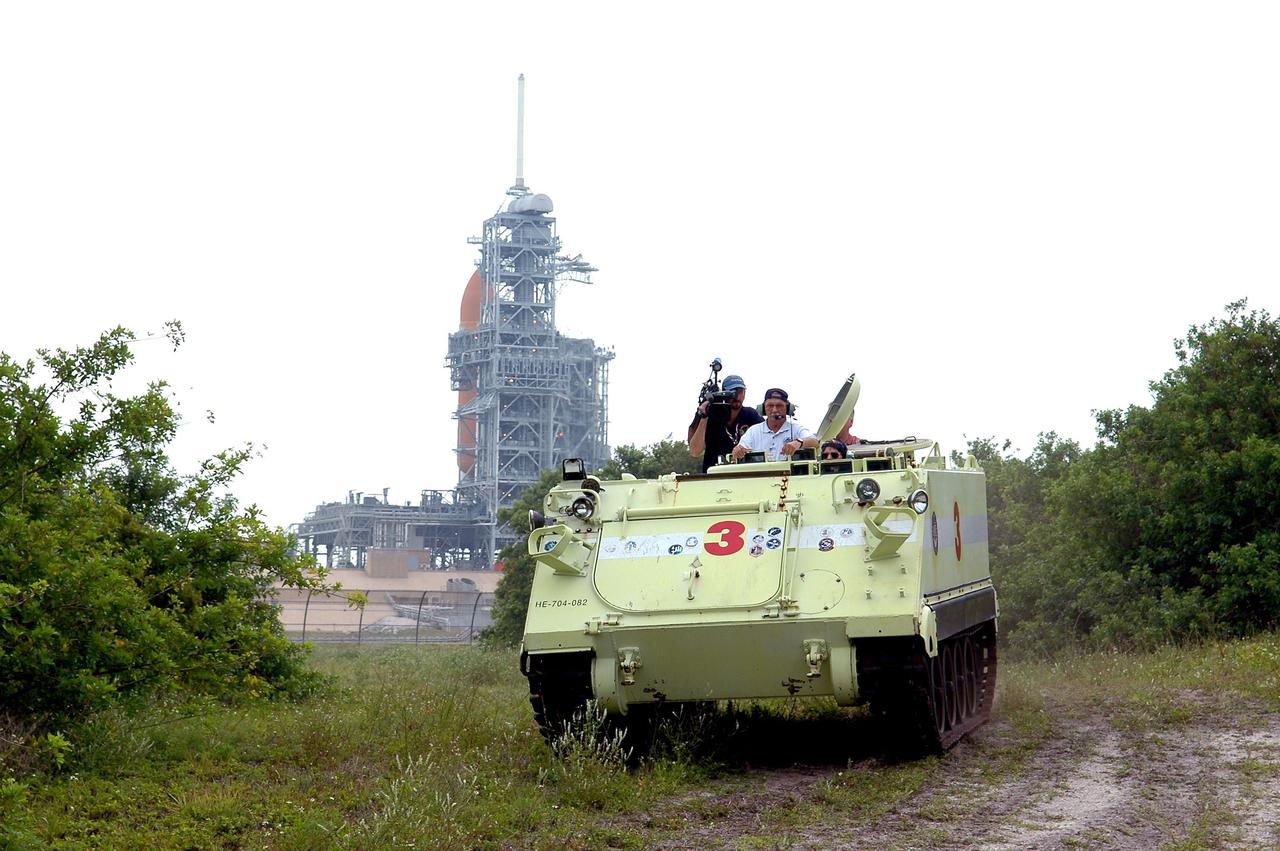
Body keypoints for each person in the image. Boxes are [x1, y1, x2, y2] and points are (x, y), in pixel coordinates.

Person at [687, 374, 764, 473]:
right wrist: (704, 416)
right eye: (732, 393)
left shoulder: (750, 415)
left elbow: (768, 436)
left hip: (745, 475)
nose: (737, 396)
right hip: (715, 476)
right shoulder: (711, 416)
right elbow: (695, 452)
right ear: (723, 393)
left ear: (745, 393)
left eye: (740, 392)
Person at [732, 388, 819, 461]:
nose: (774, 410)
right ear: (763, 409)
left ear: (788, 409)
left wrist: (798, 443)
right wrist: (737, 451)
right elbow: (738, 451)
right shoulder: (753, 432)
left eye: (779, 406)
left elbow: (815, 442)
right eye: (770, 406)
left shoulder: (796, 429)